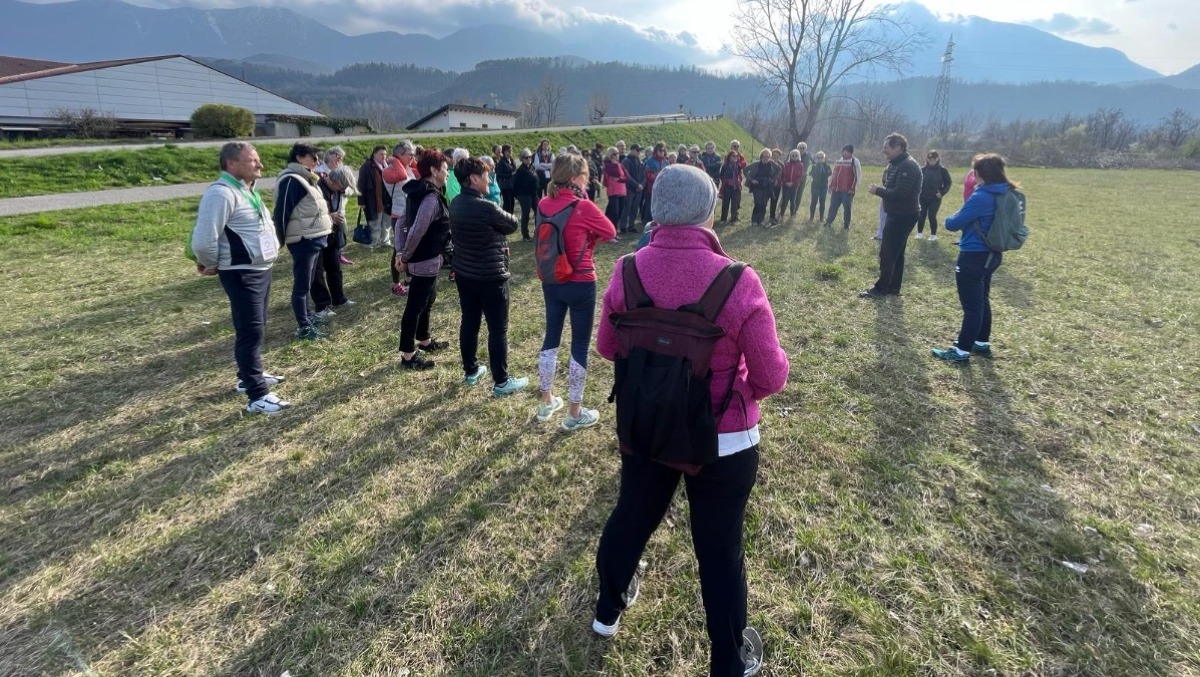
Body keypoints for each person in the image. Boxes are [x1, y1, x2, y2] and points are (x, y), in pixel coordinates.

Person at [591, 163, 789, 677]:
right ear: (709, 211)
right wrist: (741, 389)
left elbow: (608, 346)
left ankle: (607, 611)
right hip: (724, 439)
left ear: (655, 208)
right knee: (719, 549)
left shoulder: (626, 269)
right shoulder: (738, 280)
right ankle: (729, 660)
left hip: (647, 424)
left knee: (631, 516)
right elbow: (771, 375)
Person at [191, 142, 287, 414]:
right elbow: (204, 239)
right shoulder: (221, 194)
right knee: (250, 330)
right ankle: (257, 395)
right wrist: (211, 263)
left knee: (258, 325)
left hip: (259, 269)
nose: (260, 165)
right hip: (242, 272)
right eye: (253, 160)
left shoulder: (246, 190)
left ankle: (248, 376)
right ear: (232, 163)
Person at [535, 153, 617, 430]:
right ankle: (574, 412)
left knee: (551, 338)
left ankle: (546, 400)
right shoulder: (583, 206)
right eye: (585, 175)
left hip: (551, 278)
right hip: (581, 281)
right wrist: (590, 240)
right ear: (574, 177)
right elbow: (610, 231)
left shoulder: (543, 203)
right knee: (579, 344)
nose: (588, 179)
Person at [448, 157, 530, 394]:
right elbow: (512, 224)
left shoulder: (455, 203)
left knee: (470, 321)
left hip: (465, 273)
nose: (490, 179)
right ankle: (502, 382)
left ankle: (471, 370)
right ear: (474, 179)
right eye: (486, 176)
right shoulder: (487, 208)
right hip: (491, 276)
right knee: (498, 328)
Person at [933, 153, 1018, 362]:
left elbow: (952, 224)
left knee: (972, 306)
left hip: (973, 256)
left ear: (980, 174)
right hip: (992, 254)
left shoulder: (981, 197)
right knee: (982, 298)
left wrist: (950, 216)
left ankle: (961, 351)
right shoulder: (1005, 193)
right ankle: (981, 341)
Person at [396, 149, 454, 369]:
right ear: (433, 171)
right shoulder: (430, 198)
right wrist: (404, 256)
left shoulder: (419, 191)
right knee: (415, 306)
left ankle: (424, 339)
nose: (447, 173)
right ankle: (408, 356)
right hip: (424, 260)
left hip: (427, 260)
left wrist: (401, 252)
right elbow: (416, 230)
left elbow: (401, 223)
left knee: (429, 298)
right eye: (445, 169)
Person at [274, 142, 334, 341]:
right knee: (302, 285)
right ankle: (304, 326)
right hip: (303, 239)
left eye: (318, 158)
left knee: (308, 283)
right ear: (299, 158)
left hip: (313, 238)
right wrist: (278, 241)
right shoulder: (292, 180)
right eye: (313, 157)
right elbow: (282, 211)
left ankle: (308, 317)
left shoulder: (306, 178)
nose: (317, 161)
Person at [862, 133, 922, 298]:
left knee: (888, 253)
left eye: (887, 147)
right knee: (897, 252)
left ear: (899, 147)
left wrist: (878, 191)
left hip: (903, 215)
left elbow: (900, 194)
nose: (884, 151)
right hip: (897, 213)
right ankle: (893, 287)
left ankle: (881, 288)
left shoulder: (908, 166)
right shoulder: (895, 164)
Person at [311, 164, 357, 320]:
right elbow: (309, 212)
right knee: (317, 272)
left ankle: (339, 299)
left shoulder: (337, 190)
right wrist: (330, 216)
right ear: (334, 181)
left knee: (335, 268)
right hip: (316, 235)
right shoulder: (317, 188)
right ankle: (322, 306)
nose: (343, 190)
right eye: (342, 187)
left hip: (331, 234)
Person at [383, 140, 418, 297]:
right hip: (399, 216)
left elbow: (419, 172)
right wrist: (395, 160)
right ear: (399, 155)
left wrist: (410, 161)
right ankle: (395, 284)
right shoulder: (388, 170)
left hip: (410, 213)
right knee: (399, 249)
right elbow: (402, 176)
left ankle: (409, 280)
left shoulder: (407, 167)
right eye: (410, 154)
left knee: (411, 246)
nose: (412, 157)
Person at [315, 146, 354, 266]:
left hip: (340, 207)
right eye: (336, 158)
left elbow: (351, 188)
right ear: (328, 157)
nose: (338, 161)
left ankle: (338, 253)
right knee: (330, 233)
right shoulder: (320, 172)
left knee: (341, 230)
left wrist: (343, 190)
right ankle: (330, 256)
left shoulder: (342, 171)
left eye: (340, 158)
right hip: (327, 210)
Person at [357, 145, 391, 248]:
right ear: (374, 154)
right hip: (373, 200)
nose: (383, 156)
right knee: (374, 223)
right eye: (381, 154)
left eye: (385, 154)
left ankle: (385, 241)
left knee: (386, 222)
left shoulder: (387, 166)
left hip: (387, 200)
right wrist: (361, 201)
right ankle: (373, 242)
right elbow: (361, 184)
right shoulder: (367, 166)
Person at [916, 150, 952, 241]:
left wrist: (942, 192)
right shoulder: (922, 170)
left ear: (937, 159)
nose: (932, 160)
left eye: (934, 158)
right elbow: (917, 182)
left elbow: (948, 183)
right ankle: (919, 233)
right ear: (927, 159)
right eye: (930, 158)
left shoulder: (943, 170)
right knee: (921, 215)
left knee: (932, 215)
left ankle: (933, 235)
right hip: (922, 196)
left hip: (935, 197)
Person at [825, 144, 861, 229]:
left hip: (847, 191)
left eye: (845, 152)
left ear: (850, 153)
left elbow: (857, 176)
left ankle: (846, 225)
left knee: (847, 208)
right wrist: (830, 185)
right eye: (843, 152)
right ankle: (828, 222)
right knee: (833, 207)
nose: (843, 154)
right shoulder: (839, 161)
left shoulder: (854, 161)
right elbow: (834, 174)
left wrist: (853, 188)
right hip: (836, 189)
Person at [744, 149, 780, 228]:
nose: (766, 158)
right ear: (761, 156)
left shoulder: (772, 163)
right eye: (764, 156)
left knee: (764, 204)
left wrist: (773, 179)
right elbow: (745, 170)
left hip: (767, 186)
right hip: (757, 186)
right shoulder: (756, 164)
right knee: (758, 203)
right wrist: (751, 180)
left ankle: (760, 220)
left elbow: (779, 169)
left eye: (768, 157)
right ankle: (754, 220)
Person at [513, 148, 540, 241]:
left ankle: (537, 232)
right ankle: (525, 235)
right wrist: (518, 196)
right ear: (522, 159)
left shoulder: (532, 167)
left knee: (538, 211)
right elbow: (515, 184)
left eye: (530, 157)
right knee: (526, 213)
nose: (529, 159)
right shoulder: (520, 170)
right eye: (526, 157)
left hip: (533, 194)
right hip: (524, 195)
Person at [621, 144, 647, 232]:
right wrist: (636, 185)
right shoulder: (626, 161)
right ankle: (623, 226)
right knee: (627, 208)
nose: (639, 152)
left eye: (640, 150)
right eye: (637, 150)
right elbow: (627, 176)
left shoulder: (640, 162)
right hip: (630, 188)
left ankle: (631, 225)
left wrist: (642, 185)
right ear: (632, 150)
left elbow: (644, 175)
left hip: (639, 189)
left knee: (635, 208)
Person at [603, 146, 628, 232]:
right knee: (614, 213)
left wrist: (620, 179)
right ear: (610, 155)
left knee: (619, 212)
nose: (617, 155)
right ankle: (612, 231)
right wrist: (620, 177)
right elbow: (615, 173)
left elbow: (627, 177)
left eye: (618, 153)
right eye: (614, 154)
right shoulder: (608, 165)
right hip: (613, 192)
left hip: (622, 191)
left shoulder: (620, 165)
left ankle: (612, 230)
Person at [717, 149, 744, 224]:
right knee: (725, 203)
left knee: (735, 204)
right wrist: (727, 181)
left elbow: (740, 174)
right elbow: (721, 176)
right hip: (727, 187)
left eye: (736, 156)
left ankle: (734, 219)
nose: (735, 157)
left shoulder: (738, 166)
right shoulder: (725, 166)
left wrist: (738, 181)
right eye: (733, 156)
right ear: (729, 157)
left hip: (736, 187)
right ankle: (723, 219)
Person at [779, 149, 804, 221]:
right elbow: (782, 174)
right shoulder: (786, 164)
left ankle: (792, 215)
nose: (794, 157)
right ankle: (781, 214)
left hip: (794, 186)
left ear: (798, 156)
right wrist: (786, 182)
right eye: (793, 155)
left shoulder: (800, 165)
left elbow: (801, 176)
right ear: (790, 156)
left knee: (793, 201)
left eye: (796, 155)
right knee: (785, 200)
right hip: (785, 185)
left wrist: (793, 183)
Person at [808, 152, 831, 223]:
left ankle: (821, 218)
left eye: (821, 157)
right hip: (815, 186)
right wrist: (813, 171)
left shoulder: (827, 166)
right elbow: (811, 174)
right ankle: (811, 217)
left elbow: (829, 173)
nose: (820, 159)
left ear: (824, 158)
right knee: (814, 201)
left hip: (823, 187)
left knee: (822, 202)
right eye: (818, 157)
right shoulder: (814, 166)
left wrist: (823, 169)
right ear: (816, 158)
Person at [496, 144, 517, 214]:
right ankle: (506, 218)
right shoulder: (501, 162)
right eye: (509, 151)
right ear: (504, 152)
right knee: (507, 204)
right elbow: (499, 174)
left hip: (512, 185)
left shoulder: (511, 160)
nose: (511, 152)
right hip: (505, 186)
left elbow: (514, 169)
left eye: (511, 150)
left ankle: (511, 217)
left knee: (512, 203)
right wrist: (510, 175)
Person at [767, 148, 784, 225]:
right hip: (768, 185)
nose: (775, 157)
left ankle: (772, 216)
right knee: (765, 200)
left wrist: (779, 180)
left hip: (777, 185)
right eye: (774, 155)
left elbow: (783, 175)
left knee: (774, 201)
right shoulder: (768, 163)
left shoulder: (782, 165)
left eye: (777, 155)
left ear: (780, 156)